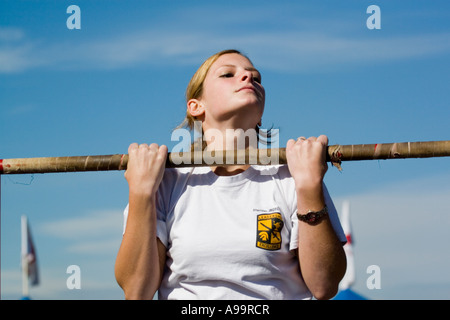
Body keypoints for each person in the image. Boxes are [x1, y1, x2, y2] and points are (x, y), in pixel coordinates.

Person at [115, 49, 347, 300]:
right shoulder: (166, 181)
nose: (248, 78)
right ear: (196, 106)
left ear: (261, 113)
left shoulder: (294, 176)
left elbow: (324, 285)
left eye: (256, 78)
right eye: (228, 74)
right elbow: (137, 290)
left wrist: (310, 187)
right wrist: (140, 193)